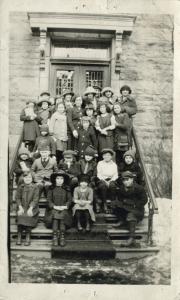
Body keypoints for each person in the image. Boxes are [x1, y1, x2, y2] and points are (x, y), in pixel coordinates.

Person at [112, 171, 147, 247]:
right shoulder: (122, 188)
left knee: (131, 215)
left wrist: (134, 204)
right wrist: (121, 202)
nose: (125, 182)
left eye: (127, 179)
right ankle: (122, 220)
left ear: (132, 179)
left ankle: (131, 238)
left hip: (137, 209)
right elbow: (120, 198)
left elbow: (144, 200)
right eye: (124, 180)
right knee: (114, 204)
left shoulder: (139, 188)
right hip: (126, 207)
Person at [46, 171, 72, 247]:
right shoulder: (51, 188)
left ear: (64, 180)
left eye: (61, 178)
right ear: (55, 179)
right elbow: (49, 200)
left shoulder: (67, 189)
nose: (59, 180)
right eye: (58, 178)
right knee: (55, 216)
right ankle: (55, 237)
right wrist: (54, 206)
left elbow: (69, 200)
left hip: (64, 209)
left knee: (62, 216)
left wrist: (65, 206)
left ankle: (62, 237)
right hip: (53, 209)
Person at [15, 171, 39, 246]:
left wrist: (30, 208)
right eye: (26, 177)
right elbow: (17, 198)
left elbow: (35, 199)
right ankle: (19, 236)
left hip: (32, 207)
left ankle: (28, 236)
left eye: (29, 177)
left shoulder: (35, 187)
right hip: (22, 206)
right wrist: (20, 207)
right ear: (23, 178)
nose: (27, 179)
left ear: (32, 178)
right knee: (21, 215)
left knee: (28, 215)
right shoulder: (20, 187)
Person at [96, 148, 118, 213]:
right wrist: (104, 181)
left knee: (112, 186)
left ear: (111, 157)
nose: (107, 157)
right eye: (105, 155)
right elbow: (99, 174)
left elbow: (115, 174)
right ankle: (104, 203)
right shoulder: (100, 163)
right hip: (102, 179)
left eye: (108, 155)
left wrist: (111, 180)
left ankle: (113, 204)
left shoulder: (114, 164)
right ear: (103, 156)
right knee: (102, 186)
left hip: (111, 179)